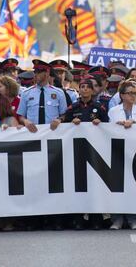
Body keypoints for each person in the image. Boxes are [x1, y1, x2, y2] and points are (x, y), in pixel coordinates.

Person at [52, 78, 108, 230]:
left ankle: (96, 217)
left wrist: (100, 123)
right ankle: (78, 217)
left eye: (87, 87)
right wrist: (65, 122)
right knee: (77, 184)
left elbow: (109, 126)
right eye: (81, 87)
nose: (84, 90)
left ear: (92, 90)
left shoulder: (98, 107)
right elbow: (64, 118)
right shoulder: (74, 106)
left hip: (95, 151)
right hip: (76, 151)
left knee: (94, 184)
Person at [108, 81, 136, 230]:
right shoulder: (114, 111)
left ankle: (133, 219)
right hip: (118, 152)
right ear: (122, 95)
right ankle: (116, 219)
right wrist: (120, 124)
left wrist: (134, 122)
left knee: (133, 186)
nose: (133, 96)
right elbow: (109, 127)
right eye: (130, 93)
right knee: (117, 186)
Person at [17, 59, 67, 133]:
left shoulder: (59, 93)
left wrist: (59, 120)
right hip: (32, 133)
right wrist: (25, 121)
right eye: (35, 71)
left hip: (52, 132)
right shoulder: (26, 93)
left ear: (47, 73)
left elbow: (64, 114)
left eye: (39, 72)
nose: (35, 74)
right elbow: (21, 115)